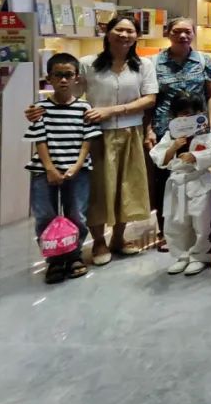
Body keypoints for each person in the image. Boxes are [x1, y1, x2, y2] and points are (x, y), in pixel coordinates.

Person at [24, 16, 157, 266]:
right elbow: (68, 96)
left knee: (126, 187)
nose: (124, 35)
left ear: (137, 36)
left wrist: (112, 110)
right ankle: (98, 241)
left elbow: (149, 99)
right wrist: (39, 109)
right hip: (94, 135)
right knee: (97, 190)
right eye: (119, 30)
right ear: (108, 33)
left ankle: (119, 237)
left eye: (130, 31)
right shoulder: (88, 64)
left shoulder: (144, 65)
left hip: (131, 132)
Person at [26, 53, 100, 284]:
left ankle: (74, 254)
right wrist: (49, 168)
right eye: (58, 75)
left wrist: (77, 165)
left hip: (78, 171)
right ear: (49, 78)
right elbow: (40, 139)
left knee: (77, 213)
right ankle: (54, 259)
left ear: (77, 77)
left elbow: (87, 140)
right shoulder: (40, 108)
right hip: (44, 171)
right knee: (44, 215)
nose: (64, 80)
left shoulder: (84, 107)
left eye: (68, 75)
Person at [149, 17, 211, 252]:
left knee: (197, 178)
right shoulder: (154, 62)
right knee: (165, 181)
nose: (183, 36)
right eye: (177, 31)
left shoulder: (203, 60)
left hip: (198, 131)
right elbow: (151, 98)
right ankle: (166, 231)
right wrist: (148, 128)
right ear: (167, 33)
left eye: (188, 31)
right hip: (166, 129)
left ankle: (201, 230)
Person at [148, 92, 211, 277]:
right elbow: (159, 157)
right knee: (176, 221)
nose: (187, 117)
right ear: (174, 115)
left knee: (201, 220)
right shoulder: (170, 135)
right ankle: (182, 255)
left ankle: (200, 256)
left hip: (198, 180)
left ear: (199, 113)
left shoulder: (205, 133)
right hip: (177, 181)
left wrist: (195, 156)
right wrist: (173, 147)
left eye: (191, 113)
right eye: (182, 114)